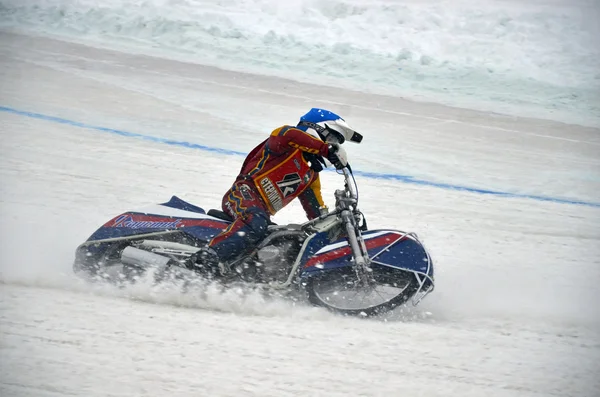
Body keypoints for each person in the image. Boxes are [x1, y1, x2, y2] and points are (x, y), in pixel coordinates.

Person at [193, 108, 363, 274]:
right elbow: (289, 135)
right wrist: (326, 150)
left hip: (262, 215)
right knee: (256, 220)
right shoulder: (284, 142)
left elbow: (316, 214)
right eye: (332, 139)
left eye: (336, 144)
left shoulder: (310, 177)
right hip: (242, 194)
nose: (334, 146)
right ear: (315, 129)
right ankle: (206, 258)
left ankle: (245, 277)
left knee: (281, 239)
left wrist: (339, 228)